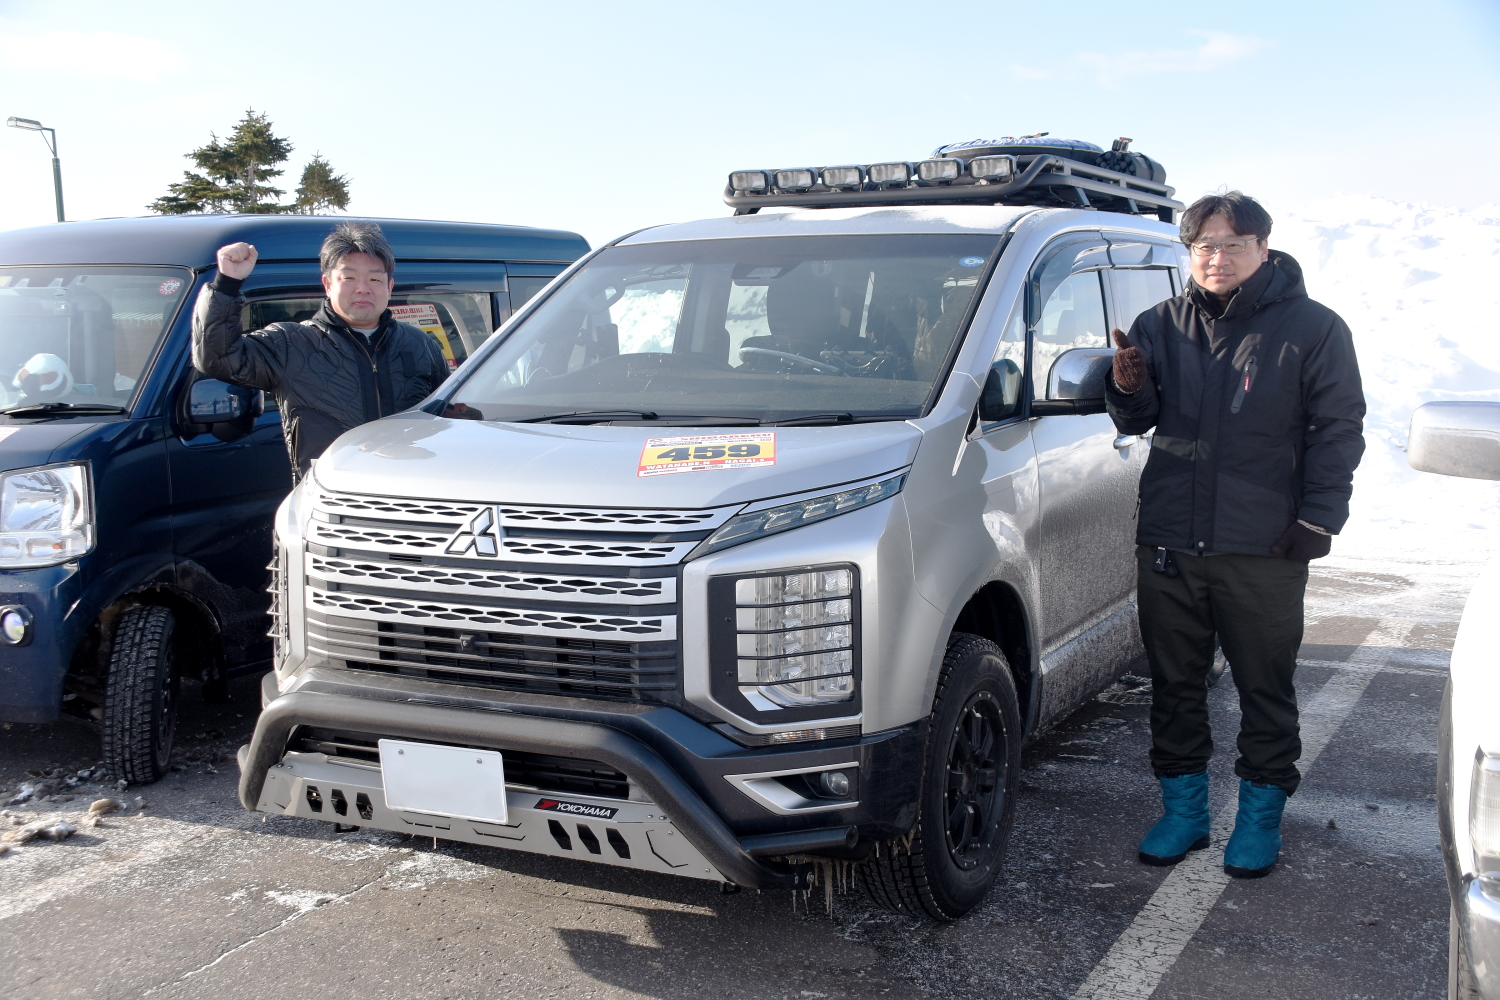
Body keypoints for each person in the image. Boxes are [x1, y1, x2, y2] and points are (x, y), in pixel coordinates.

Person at [1105, 191, 1365, 879]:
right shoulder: (1159, 323)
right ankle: (1184, 813)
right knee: (1174, 685)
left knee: (1264, 687)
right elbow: (1138, 423)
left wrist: (1317, 519)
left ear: (1264, 249)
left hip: (1265, 546)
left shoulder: (1314, 329)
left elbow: (1338, 429)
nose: (1217, 258)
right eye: (1203, 246)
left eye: (1232, 244)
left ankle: (1259, 818)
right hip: (1170, 540)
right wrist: (1127, 389)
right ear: (1189, 253)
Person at [192, 220, 477, 480]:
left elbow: (443, 414)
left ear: (390, 287)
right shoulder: (290, 342)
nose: (363, 289)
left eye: (375, 279)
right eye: (349, 278)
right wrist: (227, 284)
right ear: (327, 284)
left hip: (410, 494)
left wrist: (465, 417)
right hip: (332, 498)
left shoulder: (420, 344)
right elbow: (217, 357)